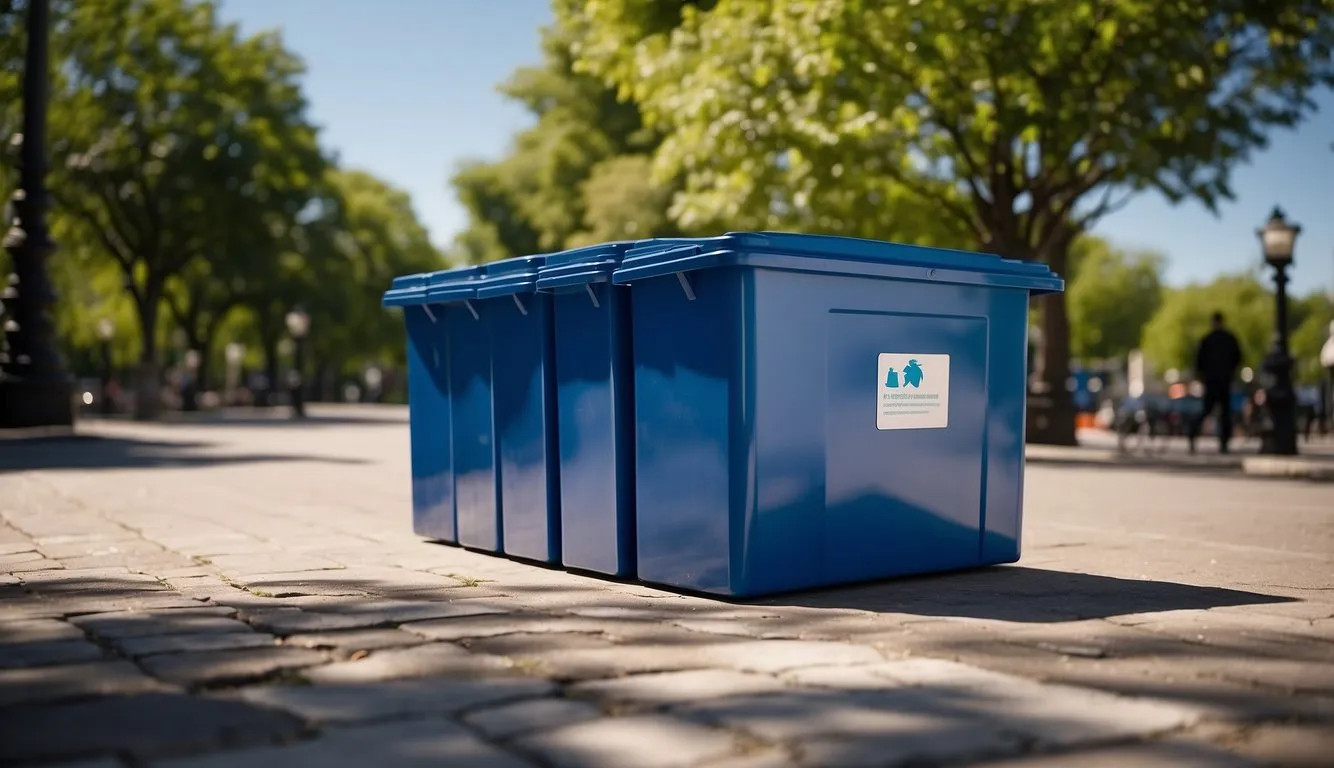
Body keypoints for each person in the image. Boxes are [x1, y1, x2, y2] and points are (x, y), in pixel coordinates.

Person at [1190, 311, 1243, 454]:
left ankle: (1193, 436)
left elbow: (1198, 361)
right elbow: (1238, 358)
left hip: (1212, 380)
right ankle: (1224, 444)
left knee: (1207, 410)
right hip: (1223, 380)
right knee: (1224, 413)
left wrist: (1202, 376)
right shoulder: (1229, 339)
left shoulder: (1207, 340)